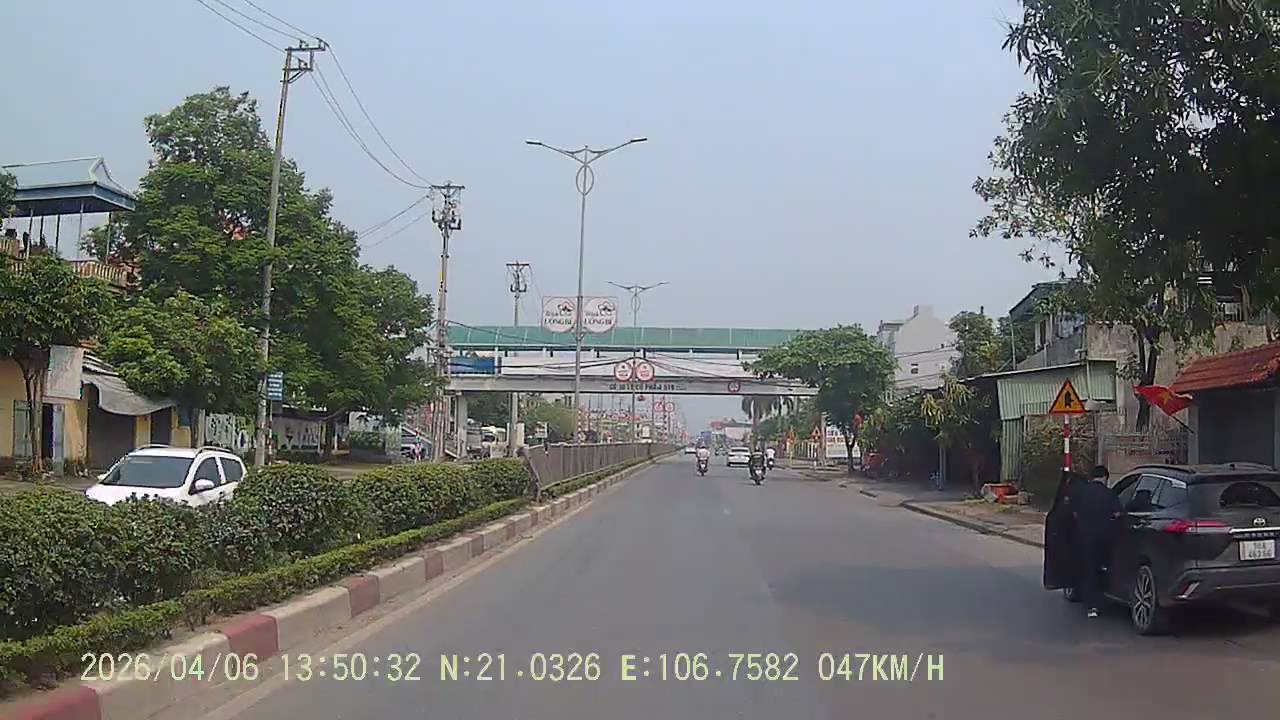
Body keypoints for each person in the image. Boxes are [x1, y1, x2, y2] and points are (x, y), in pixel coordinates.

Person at [1071, 464, 1121, 618]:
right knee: (1101, 568)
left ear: (1092, 477)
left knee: (1088, 569)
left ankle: (1091, 605)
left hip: (1084, 536)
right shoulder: (1109, 494)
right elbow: (1118, 514)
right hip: (1104, 538)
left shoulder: (1081, 492)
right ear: (1105, 478)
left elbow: (1074, 513)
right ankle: (1102, 600)